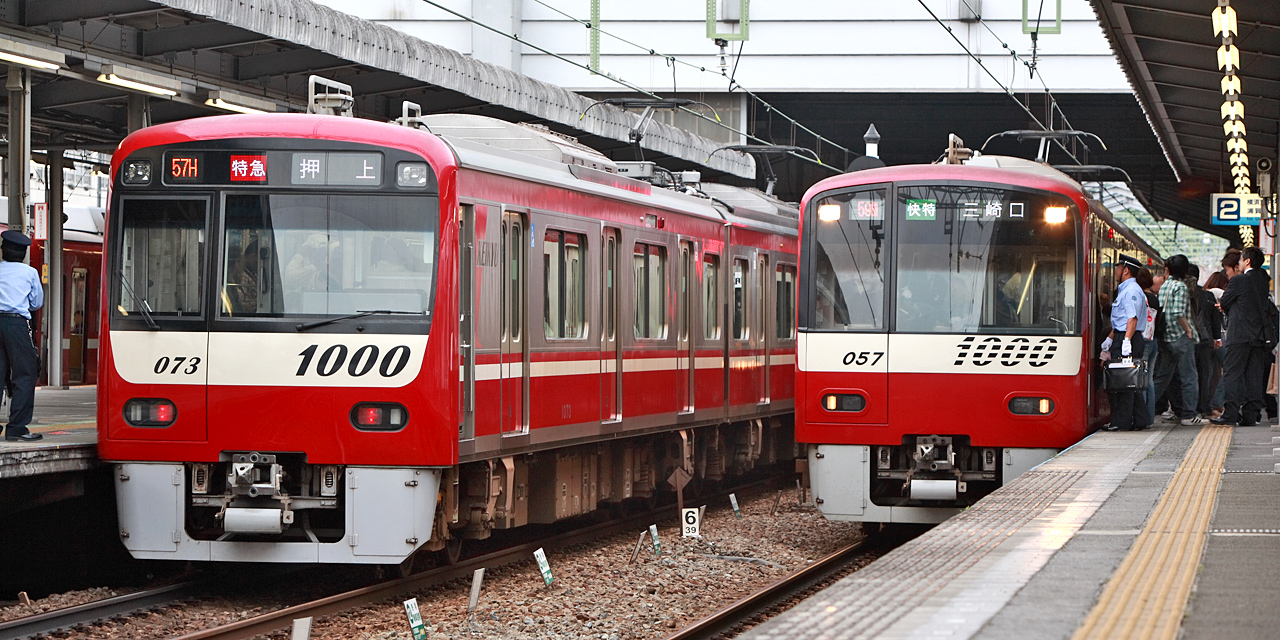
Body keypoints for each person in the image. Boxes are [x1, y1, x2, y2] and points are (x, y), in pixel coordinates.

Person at [1213, 246, 1273, 427]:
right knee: (1254, 375)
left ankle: (1230, 413)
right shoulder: (1264, 279)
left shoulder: (1239, 280)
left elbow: (1224, 301)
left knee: (1232, 374)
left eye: (1240, 260)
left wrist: (1225, 305)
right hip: (1259, 336)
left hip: (1239, 335)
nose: (1238, 264)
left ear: (1247, 261)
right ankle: (1250, 415)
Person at [0, 230, 44, 441]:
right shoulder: (29, 273)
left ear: (2, 250)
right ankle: (16, 427)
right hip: (17, 324)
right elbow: (36, 303)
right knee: (25, 374)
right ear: (23, 253)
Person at [1151, 255, 1204, 425]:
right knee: (1189, 378)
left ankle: (1145, 410)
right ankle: (1189, 415)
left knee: (1162, 377)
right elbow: (1178, 312)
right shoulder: (1180, 287)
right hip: (1180, 338)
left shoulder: (1165, 286)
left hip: (1165, 338)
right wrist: (1188, 330)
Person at [1102, 254, 1151, 431]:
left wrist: (1126, 342)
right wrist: (1110, 339)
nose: (1115, 271)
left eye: (1118, 267)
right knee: (1130, 381)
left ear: (1126, 270)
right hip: (1123, 336)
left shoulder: (1131, 291)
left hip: (1128, 338)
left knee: (1122, 382)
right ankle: (1140, 419)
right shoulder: (1127, 289)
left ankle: (1120, 422)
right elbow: (1122, 320)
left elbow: (1132, 319)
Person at [1188, 265, 1222, 417]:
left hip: (1188, 339)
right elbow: (1215, 319)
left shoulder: (1184, 293)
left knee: (1188, 374)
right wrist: (1217, 338)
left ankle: (1189, 407)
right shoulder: (1207, 295)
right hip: (1205, 339)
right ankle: (1203, 406)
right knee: (1204, 374)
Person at [1136, 267, 1160, 422]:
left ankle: (1143, 417)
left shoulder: (1140, 296)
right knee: (1149, 379)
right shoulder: (1154, 298)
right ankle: (1150, 417)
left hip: (1143, 340)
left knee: (1141, 379)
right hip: (1153, 340)